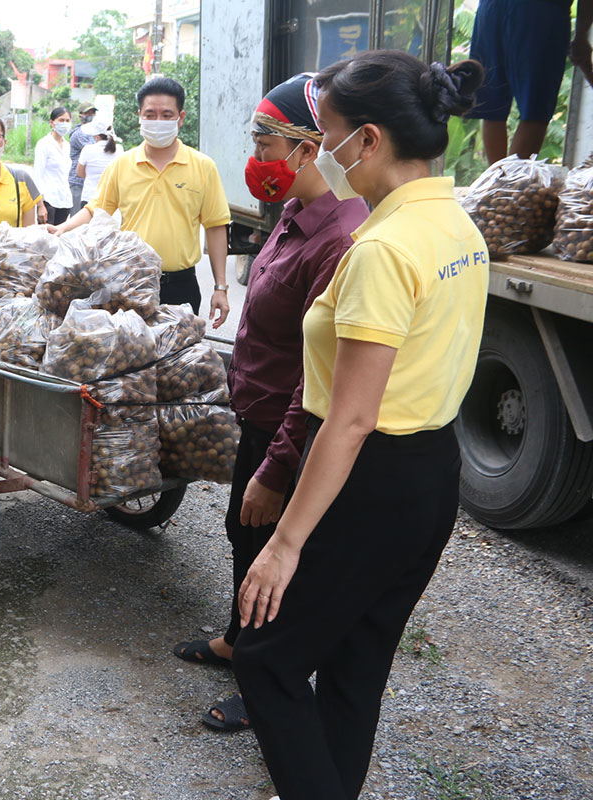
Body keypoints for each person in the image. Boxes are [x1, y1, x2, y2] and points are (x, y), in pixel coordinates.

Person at [229, 52, 487, 800]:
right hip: (432, 472)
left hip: (367, 477)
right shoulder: (454, 223)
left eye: (331, 135)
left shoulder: (382, 249)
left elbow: (348, 420)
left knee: (265, 659)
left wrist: (284, 544)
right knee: (356, 661)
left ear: (368, 139)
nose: (325, 153)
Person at [169, 73, 370, 737]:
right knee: (242, 531)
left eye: (265, 143)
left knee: (275, 554)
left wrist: (279, 467)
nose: (255, 156)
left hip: (291, 430)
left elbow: (318, 377)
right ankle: (237, 642)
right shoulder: (291, 213)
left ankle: (267, 685)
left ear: (309, 149)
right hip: (255, 415)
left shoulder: (339, 239)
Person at [53, 77, 232, 326]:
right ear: (140, 116)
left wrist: (220, 287)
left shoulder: (203, 166)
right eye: (150, 114)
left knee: (180, 350)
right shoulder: (122, 165)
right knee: (131, 348)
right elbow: (96, 210)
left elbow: (215, 226)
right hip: (130, 282)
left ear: (180, 118)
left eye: (166, 114)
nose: (158, 121)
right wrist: (62, 228)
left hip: (181, 285)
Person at [469, 0, 592, 162]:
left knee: (493, 109)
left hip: (491, 9)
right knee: (535, 112)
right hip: (539, 12)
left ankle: (498, 176)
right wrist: (581, 36)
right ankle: (510, 178)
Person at [33, 107, 73, 225]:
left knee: (60, 234)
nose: (65, 124)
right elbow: (37, 176)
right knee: (46, 235)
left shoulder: (67, 146)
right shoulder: (44, 144)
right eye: (61, 120)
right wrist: (40, 205)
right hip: (48, 201)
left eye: (67, 120)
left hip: (64, 201)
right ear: (52, 122)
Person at [75, 119, 119, 208]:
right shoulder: (119, 150)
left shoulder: (88, 149)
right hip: (111, 200)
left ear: (97, 136)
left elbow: (79, 173)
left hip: (89, 198)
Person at [67, 101, 98, 216]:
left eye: (93, 113)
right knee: (77, 216)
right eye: (88, 113)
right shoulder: (79, 134)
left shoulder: (94, 133)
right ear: (80, 116)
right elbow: (95, 151)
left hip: (88, 182)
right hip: (78, 182)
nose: (91, 116)